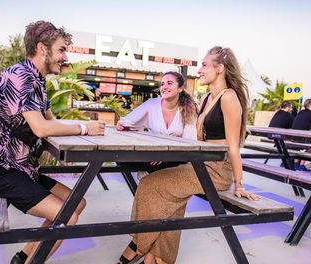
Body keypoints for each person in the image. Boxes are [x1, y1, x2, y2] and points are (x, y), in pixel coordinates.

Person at [0, 20, 106, 264]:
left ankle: (23, 258)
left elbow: (53, 122)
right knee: (67, 216)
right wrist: (85, 128)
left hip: (21, 169)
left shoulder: (37, 81)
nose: (65, 56)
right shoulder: (20, 77)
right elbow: (42, 128)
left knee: (77, 202)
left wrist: (82, 127)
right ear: (43, 48)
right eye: (62, 49)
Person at [118, 46, 259, 264]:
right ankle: (155, 258)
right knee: (166, 197)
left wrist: (239, 185)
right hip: (199, 165)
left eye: (204, 65)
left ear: (219, 68)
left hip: (217, 171)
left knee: (151, 186)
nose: (199, 70)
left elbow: (233, 146)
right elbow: (196, 140)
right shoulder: (207, 99)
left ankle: (140, 244)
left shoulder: (228, 97)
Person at [116, 71, 198, 176]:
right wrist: (121, 124)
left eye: (169, 83)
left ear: (180, 88)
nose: (164, 87)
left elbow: (189, 143)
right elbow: (128, 121)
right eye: (162, 84)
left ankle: (152, 176)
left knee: (170, 164)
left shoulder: (189, 109)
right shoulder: (151, 104)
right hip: (153, 155)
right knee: (122, 159)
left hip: (176, 156)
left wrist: (164, 156)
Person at [291, 98, 311, 171]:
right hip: (302, 138)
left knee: (299, 147)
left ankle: (296, 164)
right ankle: (301, 165)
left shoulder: (301, 112)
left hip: (294, 137)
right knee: (309, 146)